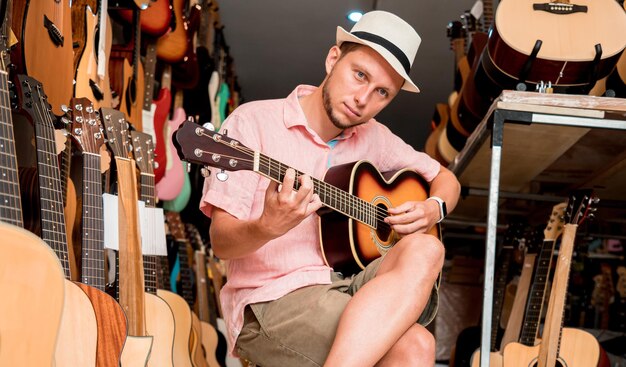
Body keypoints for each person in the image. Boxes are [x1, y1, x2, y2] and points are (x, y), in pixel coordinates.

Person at [200, 10, 461, 366]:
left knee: (428, 248)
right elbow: (221, 243)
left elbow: (448, 180)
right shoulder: (252, 123)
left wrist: (433, 208)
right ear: (333, 58)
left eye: (382, 92)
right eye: (359, 75)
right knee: (416, 346)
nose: (363, 99)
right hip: (270, 300)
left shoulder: (376, 139)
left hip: (344, 286)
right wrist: (265, 227)